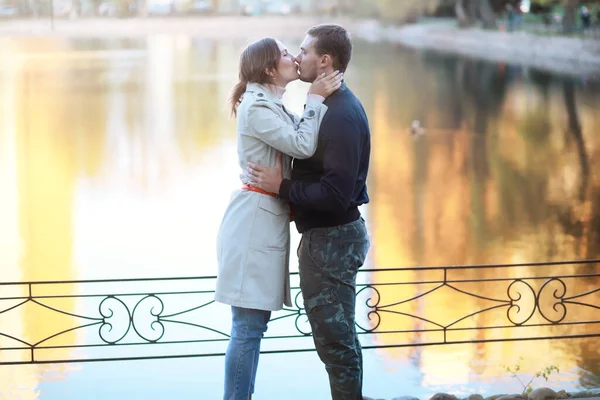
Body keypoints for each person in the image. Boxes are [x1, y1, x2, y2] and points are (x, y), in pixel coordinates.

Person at [247, 24, 372, 400]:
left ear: (324, 60)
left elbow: (335, 195)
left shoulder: (340, 115)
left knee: (335, 345)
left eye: (303, 50)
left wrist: (282, 187)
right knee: (341, 341)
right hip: (328, 239)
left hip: (332, 242)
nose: (297, 58)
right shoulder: (329, 105)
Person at [214, 37, 342, 400]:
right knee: (248, 327)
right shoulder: (258, 107)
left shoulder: (269, 103)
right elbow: (302, 145)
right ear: (270, 69)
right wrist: (315, 99)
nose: (293, 57)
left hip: (261, 220)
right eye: (286, 54)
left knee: (253, 325)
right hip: (253, 225)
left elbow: (300, 137)